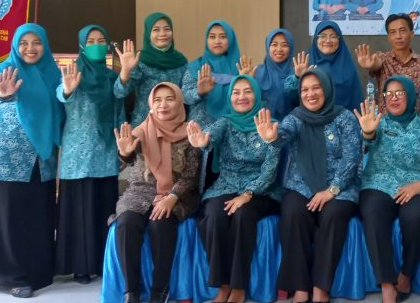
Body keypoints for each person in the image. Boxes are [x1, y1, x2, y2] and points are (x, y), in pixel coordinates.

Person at [0, 24, 65, 298]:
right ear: (15, 45)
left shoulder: (53, 73)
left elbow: (63, 103)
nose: (30, 48)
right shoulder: (4, 70)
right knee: (6, 219)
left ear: (45, 45)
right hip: (1, 159)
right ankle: (10, 277)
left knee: (36, 215)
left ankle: (37, 272)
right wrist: (4, 94)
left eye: (36, 42)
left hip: (41, 159)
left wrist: (69, 92)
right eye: (24, 42)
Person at [257, 69, 361, 303]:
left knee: (333, 215)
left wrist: (332, 190)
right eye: (304, 90)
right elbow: (283, 134)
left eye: (316, 87)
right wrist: (272, 137)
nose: (310, 94)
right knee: (293, 213)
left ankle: (320, 288)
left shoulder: (344, 118)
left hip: (340, 186)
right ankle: (300, 287)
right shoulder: (296, 117)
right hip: (302, 184)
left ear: (327, 88)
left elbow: (351, 159)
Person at [187, 76, 282, 303]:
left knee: (242, 215)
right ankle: (222, 285)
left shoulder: (269, 123)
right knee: (214, 214)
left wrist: (247, 194)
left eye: (247, 91)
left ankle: (239, 286)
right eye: (236, 92)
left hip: (262, 189)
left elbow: (270, 169)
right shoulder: (226, 122)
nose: (241, 97)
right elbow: (211, 135)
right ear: (230, 97)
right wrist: (203, 142)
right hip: (227, 184)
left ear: (256, 94)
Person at [355, 76, 420, 303]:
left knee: (415, 217)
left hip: (419, 185)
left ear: (410, 96)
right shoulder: (378, 122)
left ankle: (406, 274)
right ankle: (387, 284)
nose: (393, 98)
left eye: (399, 93)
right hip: (379, 183)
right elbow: (364, 146)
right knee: (373, 214)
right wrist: (367, 133)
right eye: (388, 94)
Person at [112, 83, 201, 303]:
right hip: (140, 191)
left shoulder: (190, 131)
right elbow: (125, 160)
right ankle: (131, 291)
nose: (163, 104)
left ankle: (159, 291)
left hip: (178, 194)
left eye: (169, 99)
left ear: (179, 102)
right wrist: (124, 153)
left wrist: (172, 197)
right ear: (151, 104)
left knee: (160, 225)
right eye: (158, 100)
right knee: (126, 223)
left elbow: (191, 176)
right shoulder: (140, 131)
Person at [55, 24, 124, 284]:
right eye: (91, 41)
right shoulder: (73, 72)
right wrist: (68, 89)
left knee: (103, 207)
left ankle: (102, 263)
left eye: (101, 40)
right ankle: (80, 267)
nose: (97, 45)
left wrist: (126, 72)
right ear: (82, 45)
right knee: (79, 210)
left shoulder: (111, 77)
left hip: (105, 150)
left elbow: (120, 100)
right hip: (77, 155)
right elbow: (61, 95)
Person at [182, 20, 254, 188]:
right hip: (201, 132)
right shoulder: (196, 67)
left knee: (227, 183)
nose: (217, 41)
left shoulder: (240, 67)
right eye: (212, 37)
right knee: (199, 183)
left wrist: (246, 80)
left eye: (223, 36)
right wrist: (200, 92)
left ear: (230, 40)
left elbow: (251, 99)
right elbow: (184, 96)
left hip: (231, 133)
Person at [115, 12, 188, 127]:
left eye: (167, 29)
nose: (162, 34)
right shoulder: (139, 60)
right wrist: (125, 70)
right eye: (156, 30)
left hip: (174, 126)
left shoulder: (181, 61)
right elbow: (120, 92)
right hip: (144, 126)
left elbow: (186, 96)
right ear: (148, 33)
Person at [356, 13, 420, 107]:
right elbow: (376, 63)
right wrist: (370, 65)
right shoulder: (383, 59)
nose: (398, 36)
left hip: (417, 116)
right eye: (393, 32)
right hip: (387, 116)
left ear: (412, 34)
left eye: (402, 31)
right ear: (389, 37)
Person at [293, 21, 363, 111]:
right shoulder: (305, 64)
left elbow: (356, 99)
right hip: (310, 118)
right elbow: (291, 98)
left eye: (333, 36)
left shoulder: (347, 65)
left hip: (343, 117)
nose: (328, 40)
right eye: (323, 36)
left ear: (339, 40)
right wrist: (298, 78)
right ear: (316, 39)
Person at [254, 28, 299, 120]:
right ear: (268, 47)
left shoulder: (296, 73)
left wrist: (298, 78)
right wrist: (247, 79)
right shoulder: (256, 72)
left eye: (284, 45)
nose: (279, 49)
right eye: (274, 44)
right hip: (261, 125)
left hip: (290, 125)